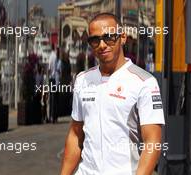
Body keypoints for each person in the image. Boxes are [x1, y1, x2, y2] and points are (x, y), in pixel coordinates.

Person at [60, 13, 165, 175]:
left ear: (122, 37)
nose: (102, 45)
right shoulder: (82, 80)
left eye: (109, 37)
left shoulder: (144, 82)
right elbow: (75, 135)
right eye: (95, 40)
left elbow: (153, 142)